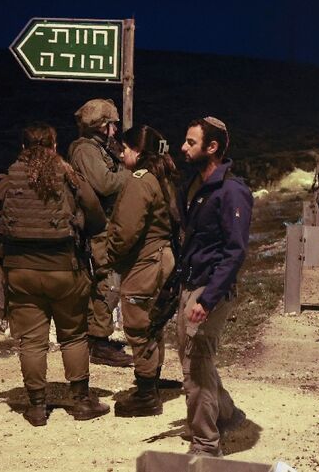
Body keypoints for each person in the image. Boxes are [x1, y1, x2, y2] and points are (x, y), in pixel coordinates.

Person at [0, 122, 109, 426]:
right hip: (65, 270)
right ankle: (80, 402)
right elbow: (97, 218)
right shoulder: (69, 177)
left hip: (20, 272)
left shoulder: (7, 180)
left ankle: (37, 407)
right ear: (53, 146)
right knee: (73, 335)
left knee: (32, 341)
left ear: (23, 148)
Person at [177, 116, 252, 456]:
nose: (183, 147)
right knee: (194, 360)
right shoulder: (196, 185)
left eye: (191, 142)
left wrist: (207, 300)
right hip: (191, 284)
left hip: (209, 289)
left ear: (212, 147)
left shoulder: (232, 192)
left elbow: (234, 251)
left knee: (196, 365)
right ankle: (228, 414)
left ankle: (206, 444)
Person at [102, 125, 180, 417]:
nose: (122, 153)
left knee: (138, 325)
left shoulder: (140, 181)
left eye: (125, 148)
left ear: (138, 151)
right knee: (153, 322)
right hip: (162, 259)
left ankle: (147, 395)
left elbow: (125, 230)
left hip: (145, 262)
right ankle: (151, 383)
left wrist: (110, 256)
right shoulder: (164, 178)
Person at [67, 98, 133, 367]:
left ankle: (98, 336)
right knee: (107, 279)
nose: (115, 130)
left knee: (108, 278)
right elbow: (104, 184)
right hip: (97, 227)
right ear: (101, 126)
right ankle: (98, 341)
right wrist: (131, 173)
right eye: (111, 125)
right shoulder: (85, 151)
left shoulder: (97, 148)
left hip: (106, 225)